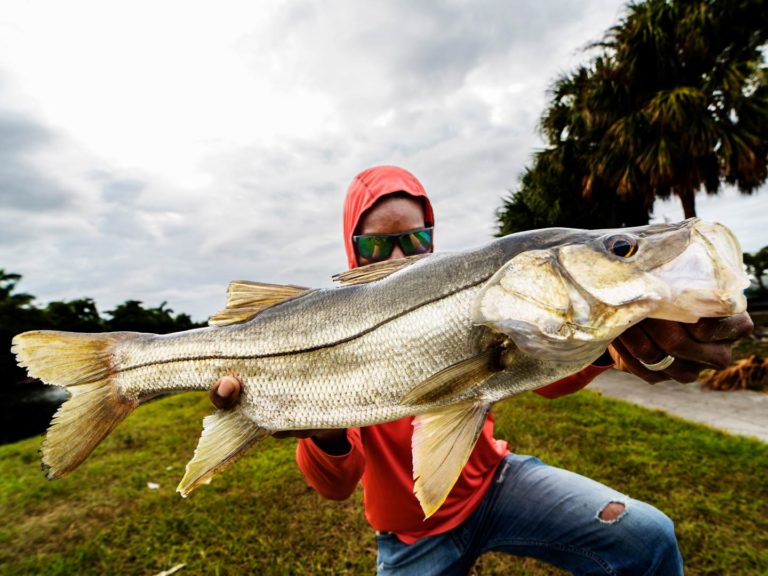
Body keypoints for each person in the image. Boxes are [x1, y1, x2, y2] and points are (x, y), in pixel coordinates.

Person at [211, 166, 753, 575]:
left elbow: (542, 366)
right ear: (351, 250)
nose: (399, 256)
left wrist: (621, 347)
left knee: (648, 538)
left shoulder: (477, 294)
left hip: (495, 485)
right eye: (376, 244)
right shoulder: (328, 328)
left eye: (416, 239)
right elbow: (335, 485)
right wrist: (324, 433)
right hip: (409, 534)